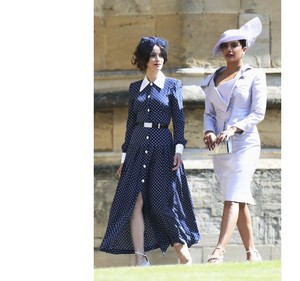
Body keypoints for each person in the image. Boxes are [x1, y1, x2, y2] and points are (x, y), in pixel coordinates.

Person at [99, 36, 200, 266]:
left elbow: (180, 121)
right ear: (144, 59)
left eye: (161, 54)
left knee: (162, 201)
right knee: (134, 201)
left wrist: (179, 149)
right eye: (153, 55)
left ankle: (179, 244)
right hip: (136, 149)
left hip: (163, 147)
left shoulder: (173, 85)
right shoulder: (135, 88)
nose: (158, 59)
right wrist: (124, 157)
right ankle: (139, 257)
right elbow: (130, 124)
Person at [201, 17, 267, 263]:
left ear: (244, 48)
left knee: (232, 196)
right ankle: (252, 253)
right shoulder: (212, 78)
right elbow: (208, 113)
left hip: (245, 144)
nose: (229, 50)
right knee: (238, 196)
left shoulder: (255, 76)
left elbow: (258, 113)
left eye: (234, 45)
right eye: (225, 46)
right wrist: (209, 131)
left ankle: (219, 251)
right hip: (220, 147)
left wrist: (234, 128)